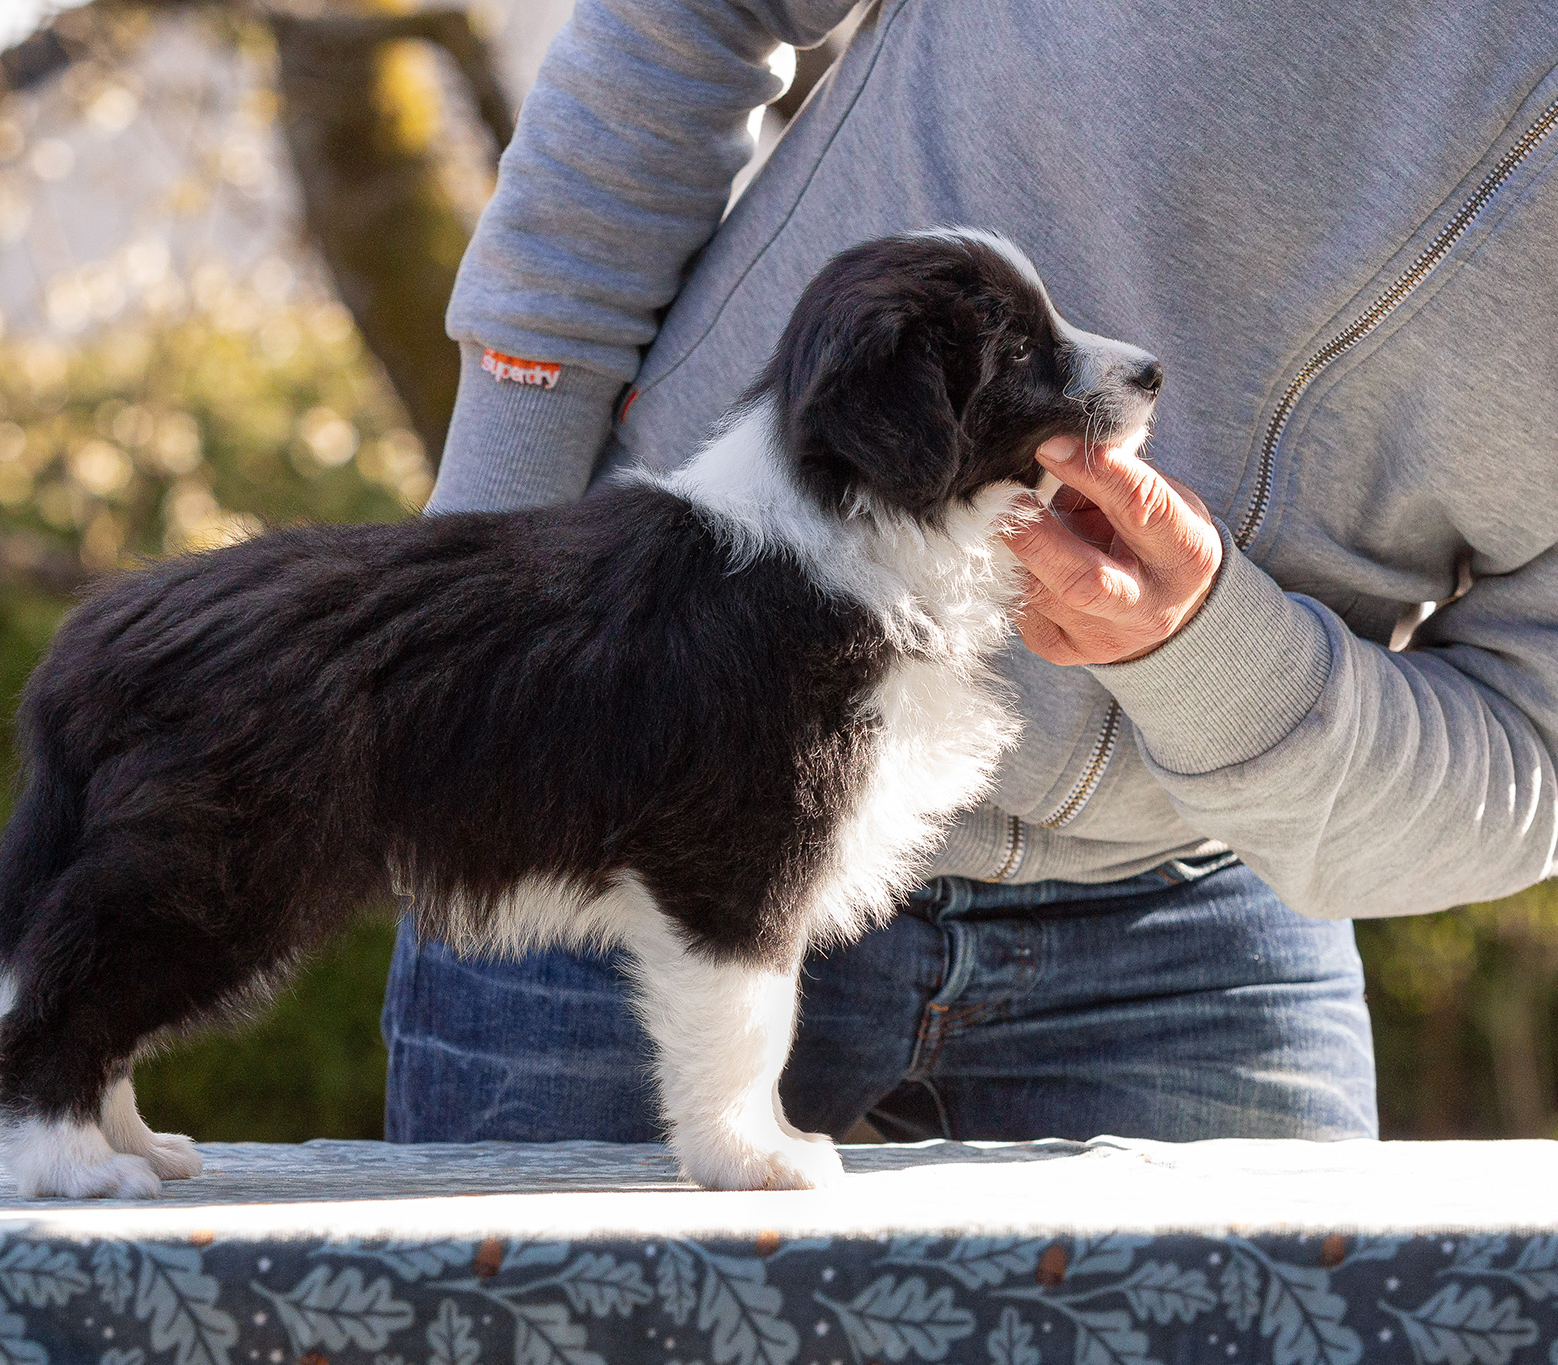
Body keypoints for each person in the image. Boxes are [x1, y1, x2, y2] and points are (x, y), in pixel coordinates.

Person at [382, 0, 1558, 1145]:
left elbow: (1532, 768)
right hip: (640, 752)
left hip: (1191, 913)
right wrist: (497, 563)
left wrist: (1217, 672)